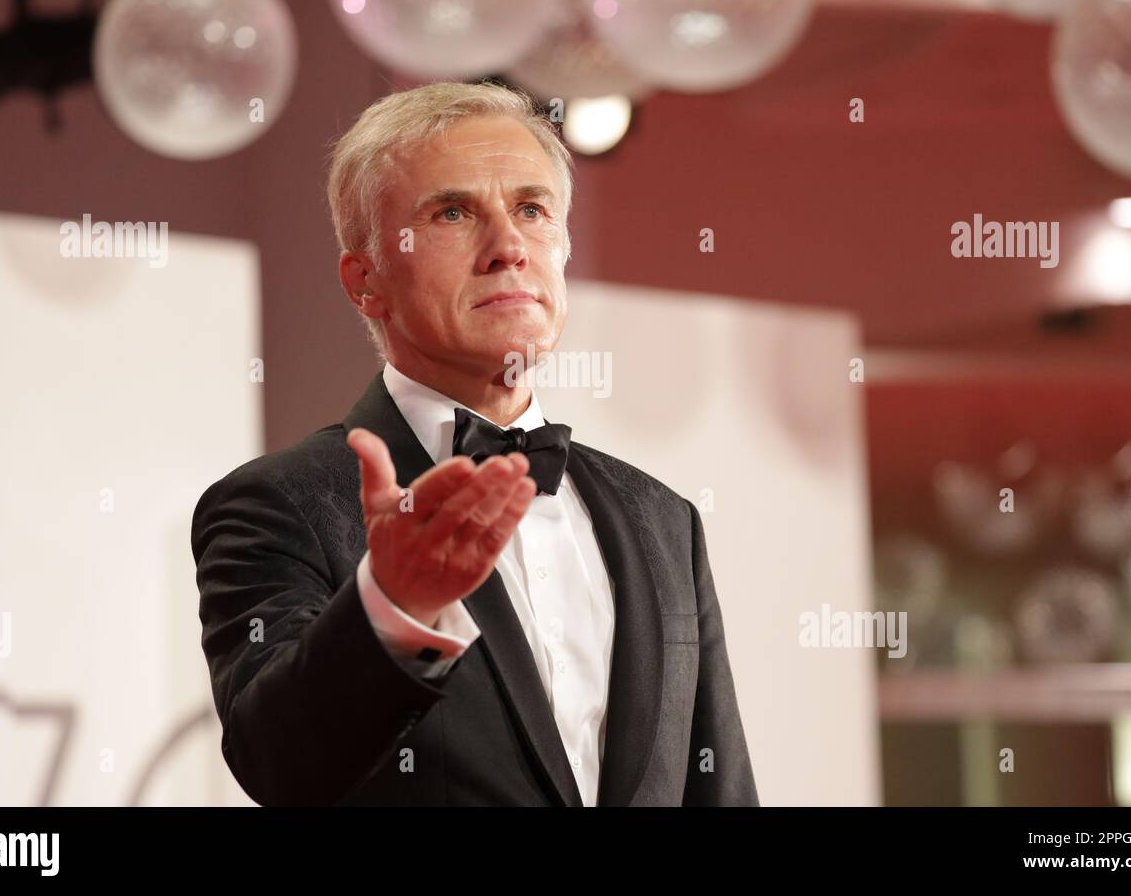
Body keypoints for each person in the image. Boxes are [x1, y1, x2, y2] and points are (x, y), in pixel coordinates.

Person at [191, 81, 758, 806]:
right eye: (453, 213)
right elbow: (281, 764)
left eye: (531, 209)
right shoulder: (278, 505)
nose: (509, 248)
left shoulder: (663, 518)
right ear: (366, 282)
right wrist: (394, 609)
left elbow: (721, 789)